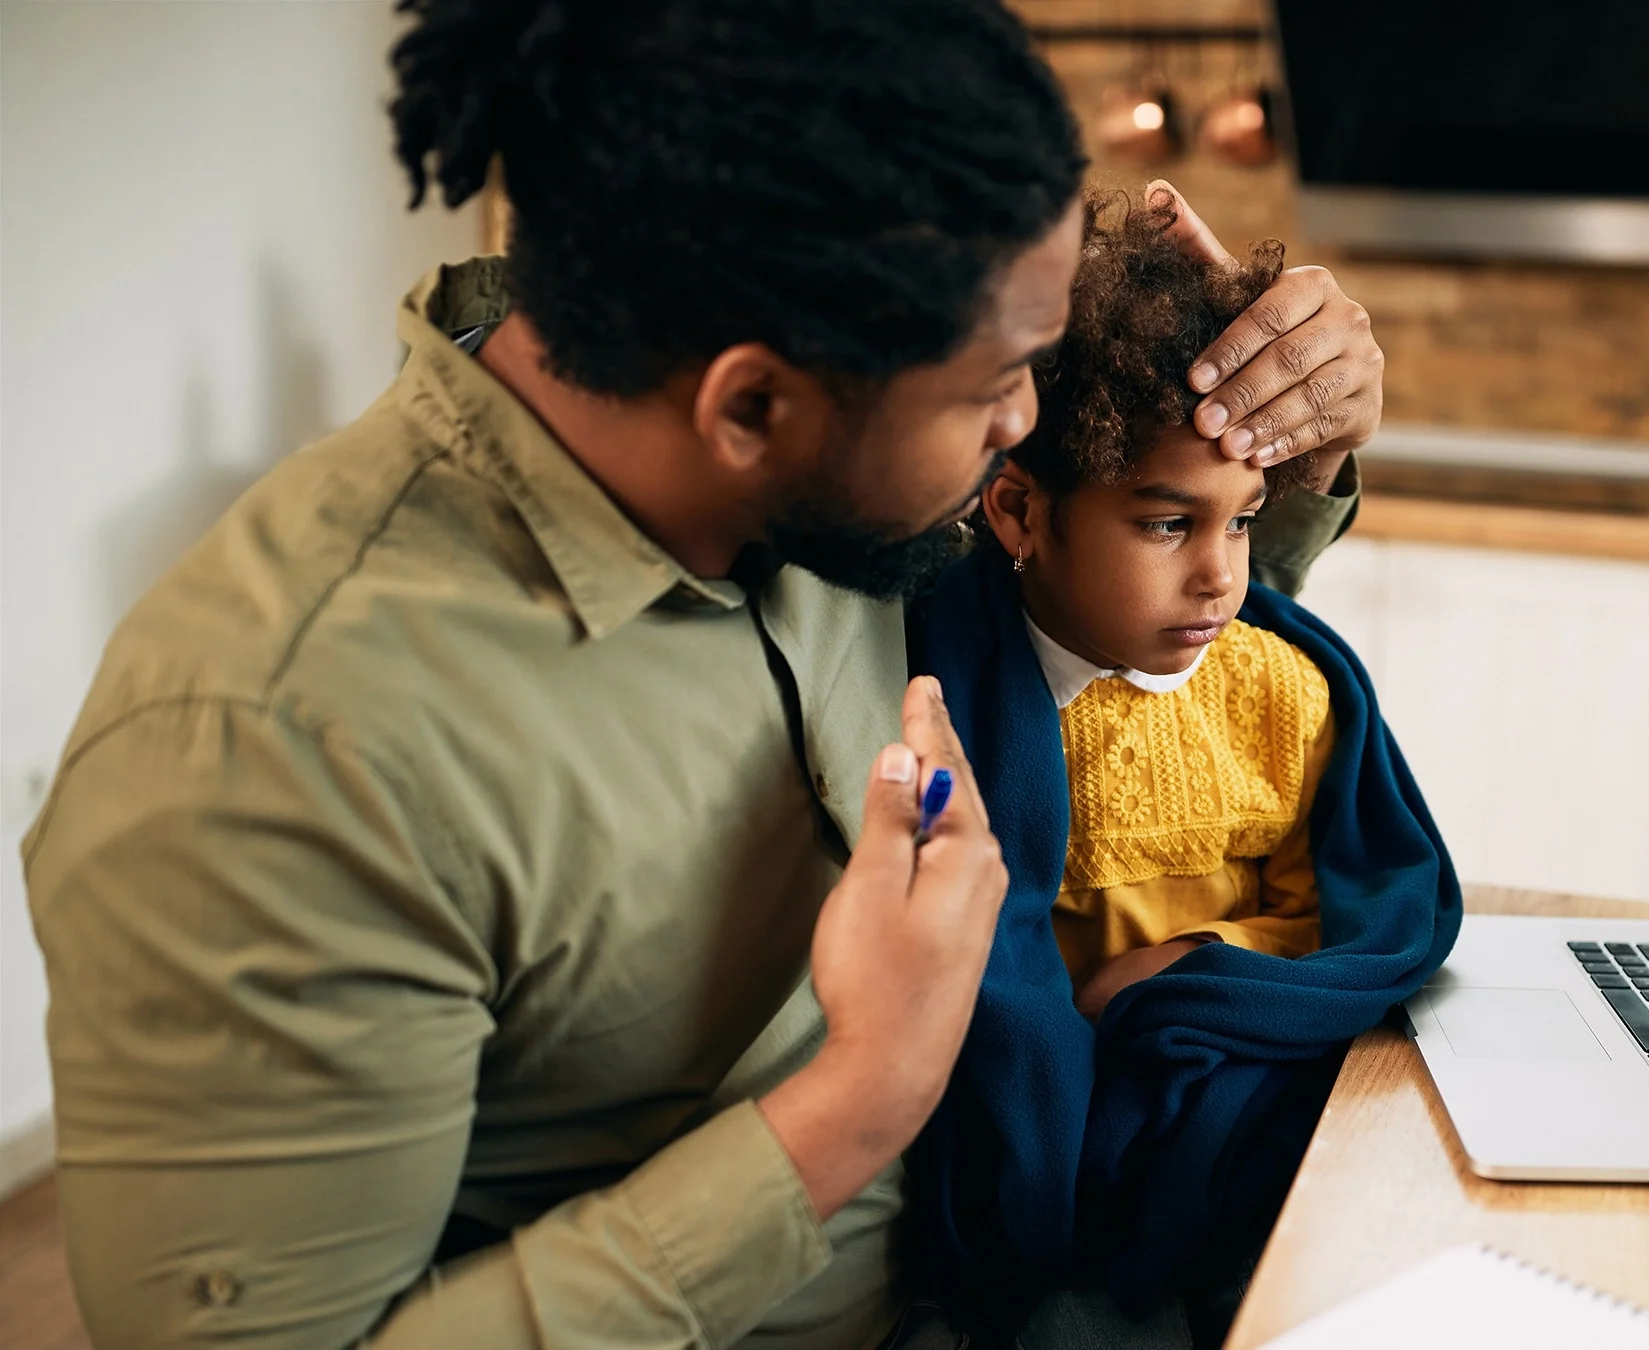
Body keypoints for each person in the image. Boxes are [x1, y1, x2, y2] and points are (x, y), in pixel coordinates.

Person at [19, 3, 1388, 1346]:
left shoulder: (842, 474)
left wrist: (1288, 437)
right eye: (1000, 385)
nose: (1026, 425)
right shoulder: (274, 749)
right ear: (749, 408)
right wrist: (857, 1100)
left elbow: (1121, 625)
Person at [902, 199, 1461, 1346]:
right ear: (1017, 511)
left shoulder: (1274, 693)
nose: (1222, 578)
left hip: (1226, 1126)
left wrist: (1196, 969)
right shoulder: (936, 696)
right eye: (1167, 527)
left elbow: (1344, 913)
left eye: (1246, 522)